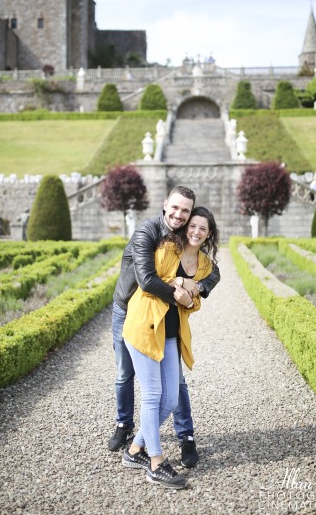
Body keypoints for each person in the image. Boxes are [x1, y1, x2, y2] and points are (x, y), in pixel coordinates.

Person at [108, 186, 220, 468]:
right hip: (130, 308)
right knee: (127, 374)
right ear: (164, 205)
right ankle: (128, 429)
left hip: (165, 319)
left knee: (171, 388)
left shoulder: (181, 238)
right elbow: (147, 280)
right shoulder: (149, 233)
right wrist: (180, 290)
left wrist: (198, 287)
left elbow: (210, 270)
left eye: (186, 211)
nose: (180, 215)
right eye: (176, 208)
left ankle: (180, 437)